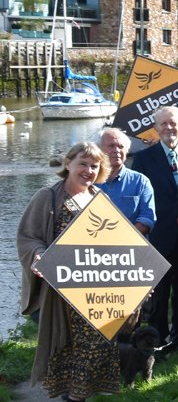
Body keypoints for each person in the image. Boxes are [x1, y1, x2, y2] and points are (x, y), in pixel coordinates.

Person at [18, 142, 118, 401]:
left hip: (95, 289)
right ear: (68, 164)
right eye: (82, 164)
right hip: (59, 291)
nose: (88, 170)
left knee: (94, 345)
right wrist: (38, 256)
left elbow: (117, 243)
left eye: (94, 166)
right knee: (67, 347)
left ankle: (78, 395)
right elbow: (28, 237)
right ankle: (73, 396)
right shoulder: (47, 196)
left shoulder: (100, 198)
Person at [133, 107, 178, 351]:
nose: (170, 128)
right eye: (164, 124)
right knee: (159, 293)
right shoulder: (143, 159)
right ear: (156, 128)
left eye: (174, 123)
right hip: (159, 236)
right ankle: (156, 341)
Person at [97, 127, 156, 236]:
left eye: (121, 146)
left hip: (131, 248)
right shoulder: (89, 182)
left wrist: (124, 240)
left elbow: (147, 218)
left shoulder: (140, 181)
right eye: (111, 146)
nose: (117, 150)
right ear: (99, 150)